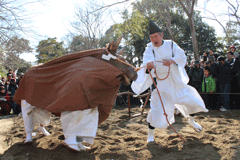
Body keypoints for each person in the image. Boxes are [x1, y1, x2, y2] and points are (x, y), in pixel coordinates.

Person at [131, 20, 208, 142]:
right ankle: (150, 134)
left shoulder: (171, 44)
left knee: (192, 100)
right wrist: (149, 66)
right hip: (162, 85)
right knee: (157, 110)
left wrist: (172, 60)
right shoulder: (149, 48)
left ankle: (191, 121)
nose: (154, 39)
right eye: (151, 37)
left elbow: (182, 57)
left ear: (161, 35)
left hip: (176, 82)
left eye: (156, 36)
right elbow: (147, 62)